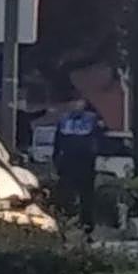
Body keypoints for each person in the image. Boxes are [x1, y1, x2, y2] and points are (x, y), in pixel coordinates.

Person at [53, 98, 104, 238]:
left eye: (78, 102)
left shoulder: (92, 119)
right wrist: (56, 160)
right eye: (73, 102)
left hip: (85, 162)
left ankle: (87, 226)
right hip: (67, 162)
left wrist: (96, 154)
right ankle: (66, 222)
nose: (75, 105)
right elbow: (57, 141)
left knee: (86, 195)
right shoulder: (64, 120)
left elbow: (100, 137)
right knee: (66, 194)